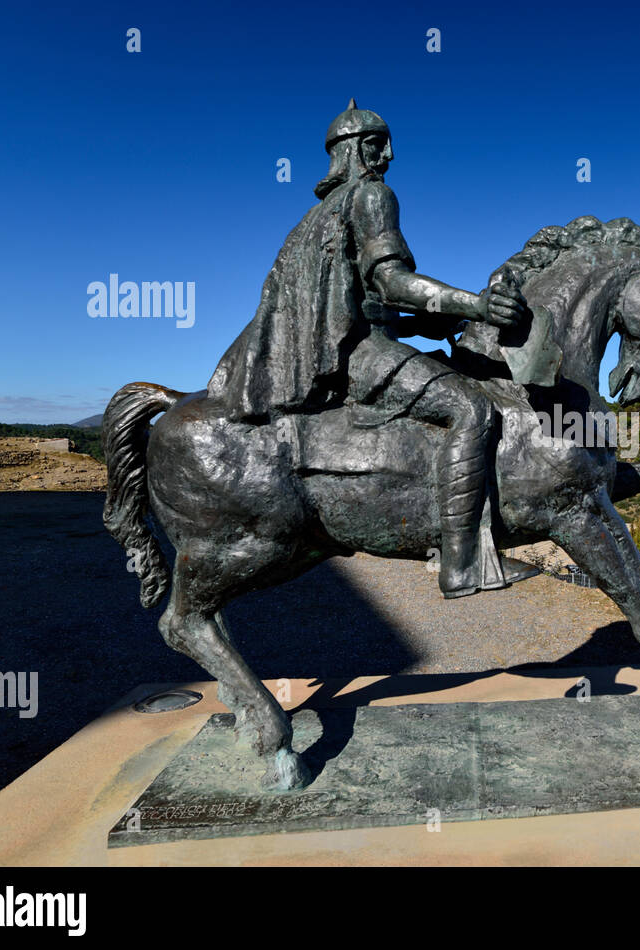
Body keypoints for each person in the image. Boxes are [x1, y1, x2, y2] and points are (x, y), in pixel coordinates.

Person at [208, 99, 534, 598]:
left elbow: (360, 304)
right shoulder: (372, 196)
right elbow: (392, 281)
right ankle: (462, 563)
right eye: (382, 145)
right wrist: (480, 306)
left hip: (349, 347)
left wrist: (421, 324)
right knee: (471, 408)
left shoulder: (313, 219)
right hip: (358, 354)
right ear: (361, 149)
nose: (391, 155)